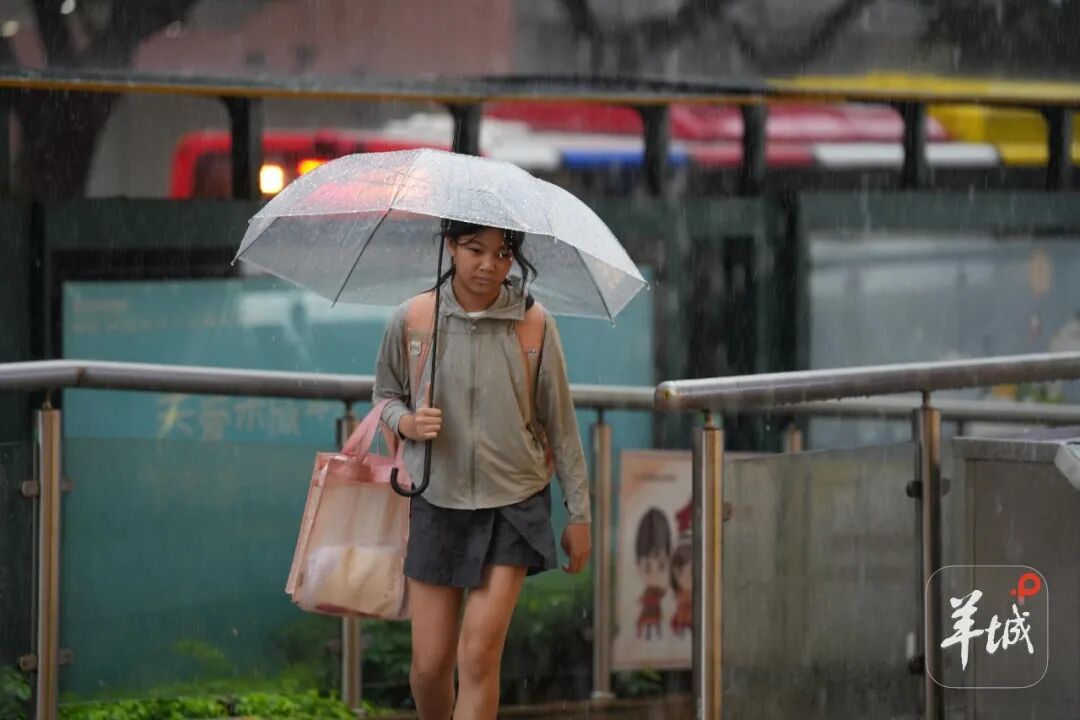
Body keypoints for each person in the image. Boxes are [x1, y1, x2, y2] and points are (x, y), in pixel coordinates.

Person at [372, 220, 592, 720]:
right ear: (451, 247)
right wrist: (405, 421)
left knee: (477, 656)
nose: (489, 265)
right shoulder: (414, 318)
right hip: (436, 498)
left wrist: (580, 513)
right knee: (429, 668)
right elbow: (384, 394)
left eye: (502, 253)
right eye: (475, 250)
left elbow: (561, 425)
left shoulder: (534, 324)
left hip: (515, 503)